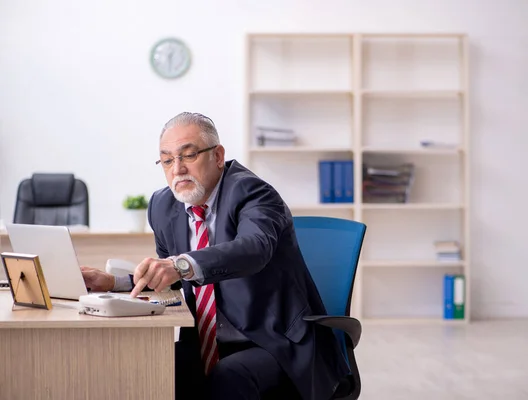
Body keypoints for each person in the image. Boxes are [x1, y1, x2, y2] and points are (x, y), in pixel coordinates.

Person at [81, 112, 350, 400]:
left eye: (189, 155)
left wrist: (180, 264)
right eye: (167, 160)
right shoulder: (162, 205)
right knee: (150, 365)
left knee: (230, 377)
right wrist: (113, 282)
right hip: (205, 339)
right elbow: (171, 281)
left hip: (273, 341)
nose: (178, 169)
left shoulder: (253, 192)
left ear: (218, 156)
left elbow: (254, 248)